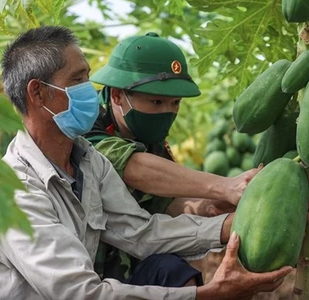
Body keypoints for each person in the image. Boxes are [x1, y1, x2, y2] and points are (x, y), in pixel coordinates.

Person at [0, 26, 292, 299]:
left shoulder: (88, 163)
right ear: (38, 94)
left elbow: (140, 233)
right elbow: (81, 294)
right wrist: (207, 295)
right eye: (77, 80)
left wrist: (227, 227)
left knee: (167, 267)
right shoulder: (11, 192)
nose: (89, 91)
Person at [85, 32, 261, 281]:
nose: (167, 112)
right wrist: (223, 186)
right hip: (84, 280)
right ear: (116, 95)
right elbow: (131, 166)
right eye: (156, 102)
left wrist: (205, 207)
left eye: (175, 103)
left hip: (135, 263)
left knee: (175, 269)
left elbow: (164, 205)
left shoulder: (151, 141)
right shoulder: (87, 122)